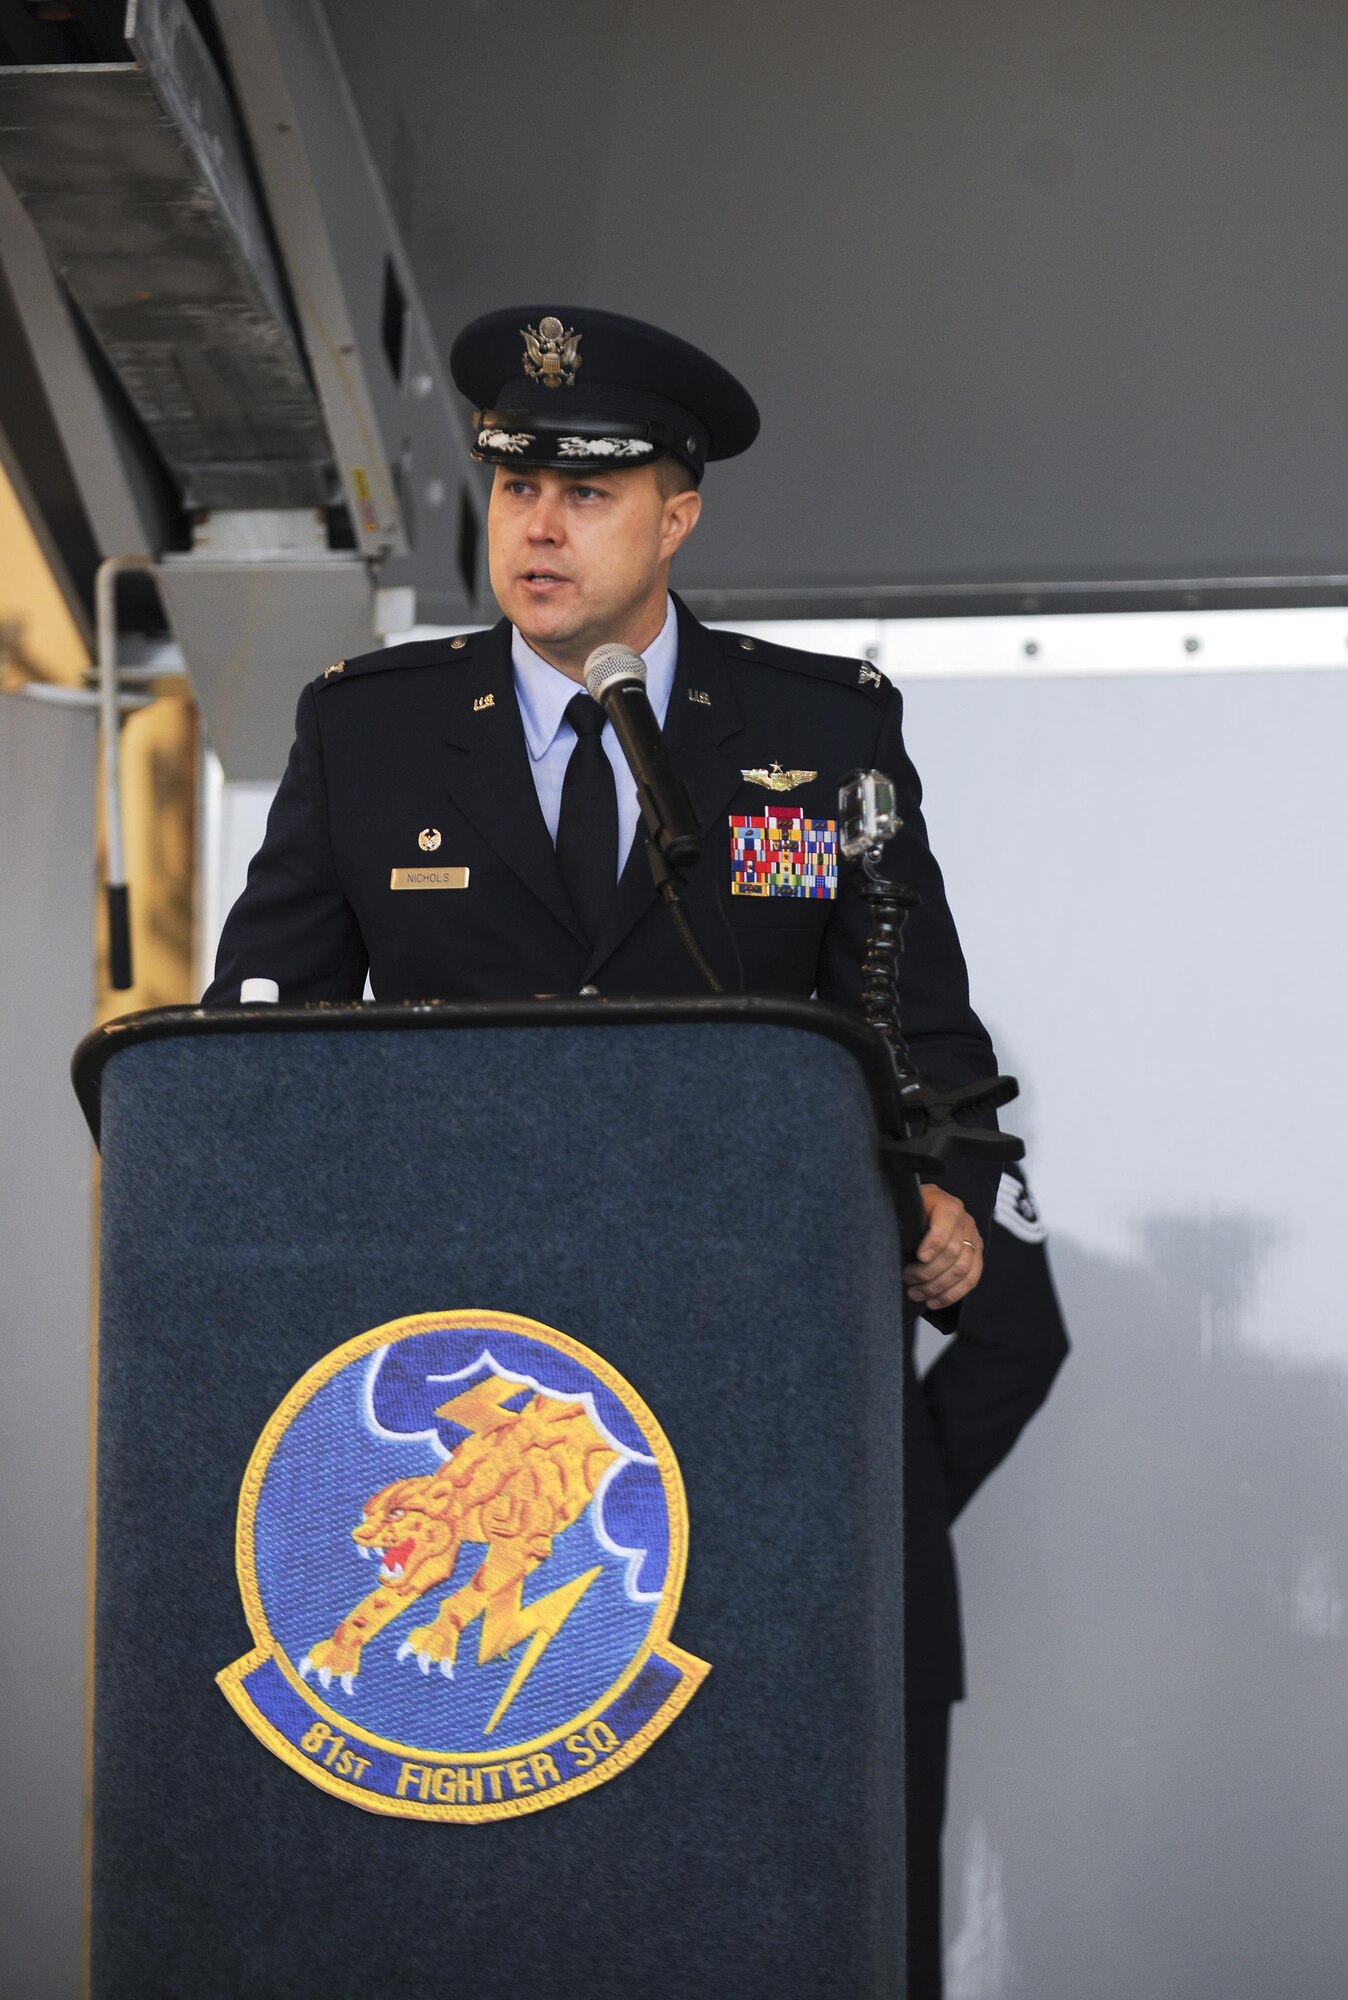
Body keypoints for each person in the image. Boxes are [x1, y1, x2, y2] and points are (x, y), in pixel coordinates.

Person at [204, 304, 999, 1993]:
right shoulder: (367, 730)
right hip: (454, 1342)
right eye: (511, 489)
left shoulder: (818, 738)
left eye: (587, 489)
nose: (538, 526)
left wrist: (941, 1185)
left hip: (741, 1357)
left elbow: (910, 1024)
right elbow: (261, 1043)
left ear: (677, 514)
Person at [907, 1159, 1071, 1994]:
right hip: (870, 1612)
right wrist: (882, 1506)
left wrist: (882, 1512)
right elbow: (1022, 1339)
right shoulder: (873, 1071)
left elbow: (1020, 1342)